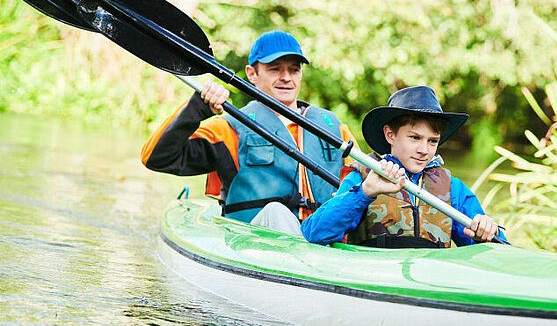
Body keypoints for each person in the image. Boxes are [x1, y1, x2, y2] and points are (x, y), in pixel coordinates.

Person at [141, 30, 356, 234]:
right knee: (276, 212)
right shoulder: (229, 129)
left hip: (326, 245)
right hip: (255, 244)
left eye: (294, 69)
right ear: (252, 74)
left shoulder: (333, 128)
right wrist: (198, 108)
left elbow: (362, 179)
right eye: (275, 69)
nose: (286, 77)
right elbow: (155, 158)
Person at [301, 85, 506, 248]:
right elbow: (313, 233)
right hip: (375, 285)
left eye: (432, 141)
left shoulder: (454, 189)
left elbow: (498, 249)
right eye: (415, 138)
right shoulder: (363, 179)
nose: (424, 150)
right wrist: (365, 192)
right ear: (390, 134)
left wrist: (488, 231)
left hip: (428, 288)